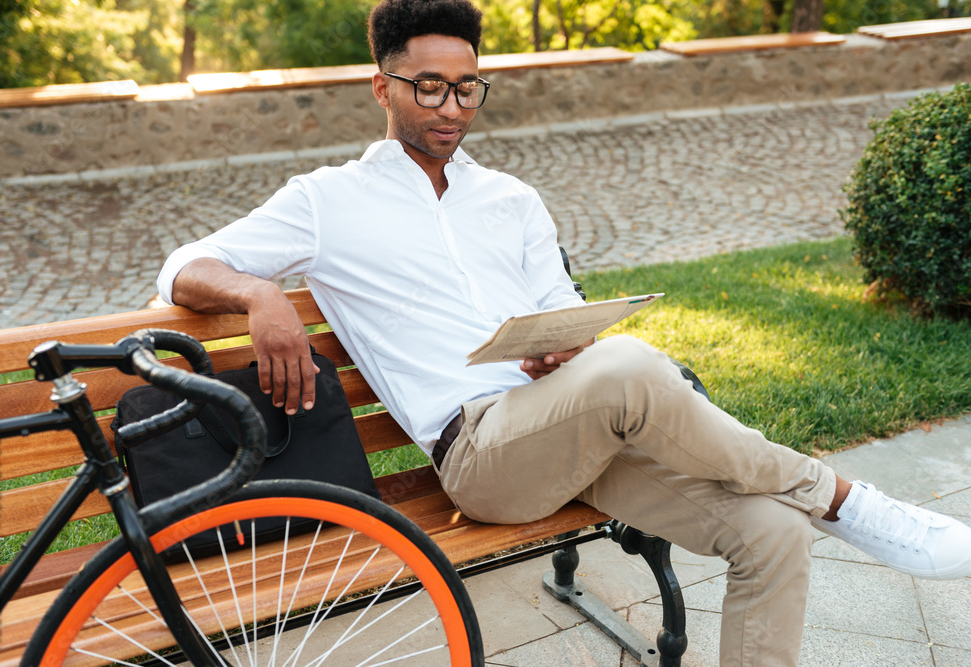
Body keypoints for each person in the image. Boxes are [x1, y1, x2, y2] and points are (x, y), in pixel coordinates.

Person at [156, 0, 971, 663]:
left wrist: (563, 345)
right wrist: (260, 293)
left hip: (578, 431)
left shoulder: (510, 199)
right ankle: (842, 498)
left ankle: (811, 505)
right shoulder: (327, 201)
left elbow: (556, 305)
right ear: (383, 87)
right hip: (481, 457)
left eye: (467, 88)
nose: (451, 109)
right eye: (429, 88)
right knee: (633, 367)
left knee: (774, 535)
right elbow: (184, 267)